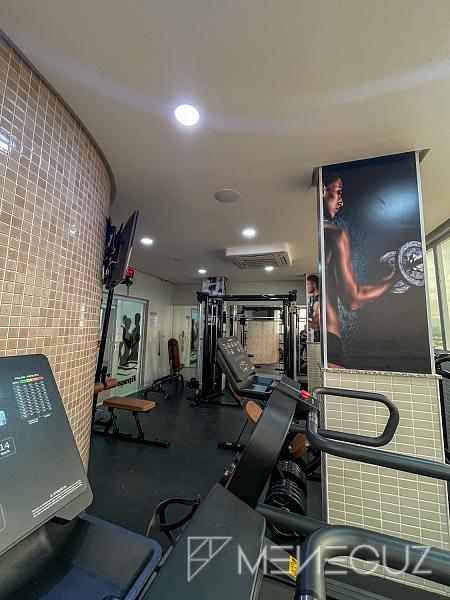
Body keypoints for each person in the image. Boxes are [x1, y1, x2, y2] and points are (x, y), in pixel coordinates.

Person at [323, 172, 394, 367]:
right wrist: (393, 280)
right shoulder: (336, 234)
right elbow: (352, 300)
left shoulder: (314, 234)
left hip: (319, 338)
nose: (341, 201)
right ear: (323, 190)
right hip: (330, 339)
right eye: (338, 192)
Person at [307, 274, 320, 342]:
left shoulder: (318, 299)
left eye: (308, 284)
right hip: (316, 333)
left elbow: (317, 321)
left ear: (314, 284)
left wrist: (309, 323)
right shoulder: (313, 299)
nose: (307, 287)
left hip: (319, 334)